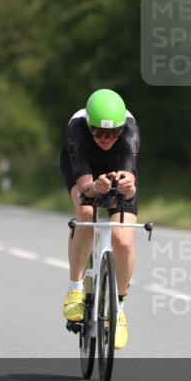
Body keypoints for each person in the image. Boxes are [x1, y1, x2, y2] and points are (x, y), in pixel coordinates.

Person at [59, 89, 140, 350]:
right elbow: (84, 191)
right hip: (85, 171)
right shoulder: (77, 129)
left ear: (121, 128)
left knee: (123, 241)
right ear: (89, 125)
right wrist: (95, 187)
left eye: (113, 133)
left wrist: (128, 188)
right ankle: (75, 288)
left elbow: (131, 180)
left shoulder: (129, 129)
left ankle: (118, 309)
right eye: (99, 132)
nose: (106, 138)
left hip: (116, 167)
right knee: (84, 213)